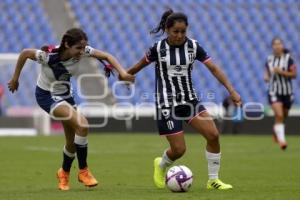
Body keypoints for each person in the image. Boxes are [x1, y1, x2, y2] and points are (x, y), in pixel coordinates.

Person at [127, 9, 241, 190]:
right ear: (167, 30)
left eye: (183, 31)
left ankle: (213, 180)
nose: (180, 36)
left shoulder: (194, 47)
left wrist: (232, 90)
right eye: (175, 32)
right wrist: (126, 75)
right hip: (167, 103)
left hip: (189, 101)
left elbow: (214, 68)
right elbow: (139, 65)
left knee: (213, 135)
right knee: (179, 150)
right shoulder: (158, 48)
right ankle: (162, 164)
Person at [8, 28, 134, 190]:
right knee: (83, 125)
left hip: (66, 95)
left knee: (72, 142)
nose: (82, 52)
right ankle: (83, 171)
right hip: (47, 95)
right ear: (67, 44)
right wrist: (15, 78)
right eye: (78, 48)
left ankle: (64, 173)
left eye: (84, 48)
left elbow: (107, 56)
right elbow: (25, 53)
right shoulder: (48, 55)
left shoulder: (82, 51)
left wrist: (122, 73)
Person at [264, 37, 297, 150]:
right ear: (272, 46)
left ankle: (276, 132)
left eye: (279, 44)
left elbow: (294, 75)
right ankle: (282, 141)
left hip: (287, 92)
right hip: (274, 91)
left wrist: (281, 72)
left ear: (282, 46)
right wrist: (266, 77)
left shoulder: (289, 59)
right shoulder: (269, 59)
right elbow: (267, 74)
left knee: (284, 116)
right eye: (275, 44)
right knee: (279, 115)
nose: (277, 46)